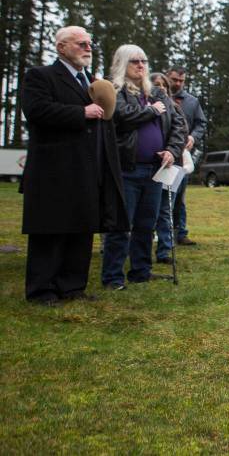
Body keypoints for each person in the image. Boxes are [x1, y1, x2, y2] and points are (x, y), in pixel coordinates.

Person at [20, 26, 128, 304]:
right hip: (54, 169)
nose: (87, 48)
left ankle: (72, 286)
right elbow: (36, 110)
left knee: (81, 229)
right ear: (61, 48)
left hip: (88, 169)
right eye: (80, 44)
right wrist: (81, 112)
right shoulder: (41, 76)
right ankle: (42, 290)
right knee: (52, 231)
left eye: (89, 44)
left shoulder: (90, 81)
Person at [102, 45, 186, 289]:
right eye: (134, 61)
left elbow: (178, 125)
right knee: (120, 225)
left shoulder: (157, 94)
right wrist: (150, 112)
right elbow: (120, 116)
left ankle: (141, 271)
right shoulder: (114, 90)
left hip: (155, 170)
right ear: (121, 63)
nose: (141, 65)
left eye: (144, 61)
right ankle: (113, 277)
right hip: (126, 169)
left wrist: (172, 150)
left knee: (146, 224)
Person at [165, 66, 206, 247]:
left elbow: (201, 124)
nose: (178, 84)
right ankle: (160, 235)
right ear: (167, 77)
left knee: (179, 195)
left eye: (181, 81)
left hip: (182, 155)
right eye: (174, 80)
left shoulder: (191, 101)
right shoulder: (156, 97)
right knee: (163, 198)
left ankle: (180, 233)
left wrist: (193, 137)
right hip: (161, 153)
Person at [150, 72, 188, 264]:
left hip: (170, 165)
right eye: (156, 84)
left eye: (163, 84)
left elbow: (181, 131)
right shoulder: (144, 106)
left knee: (166, 209)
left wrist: (171, 151)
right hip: (148, 164)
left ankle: (164, 250)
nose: (161, 87)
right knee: (147, 211)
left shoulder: (175, 108)